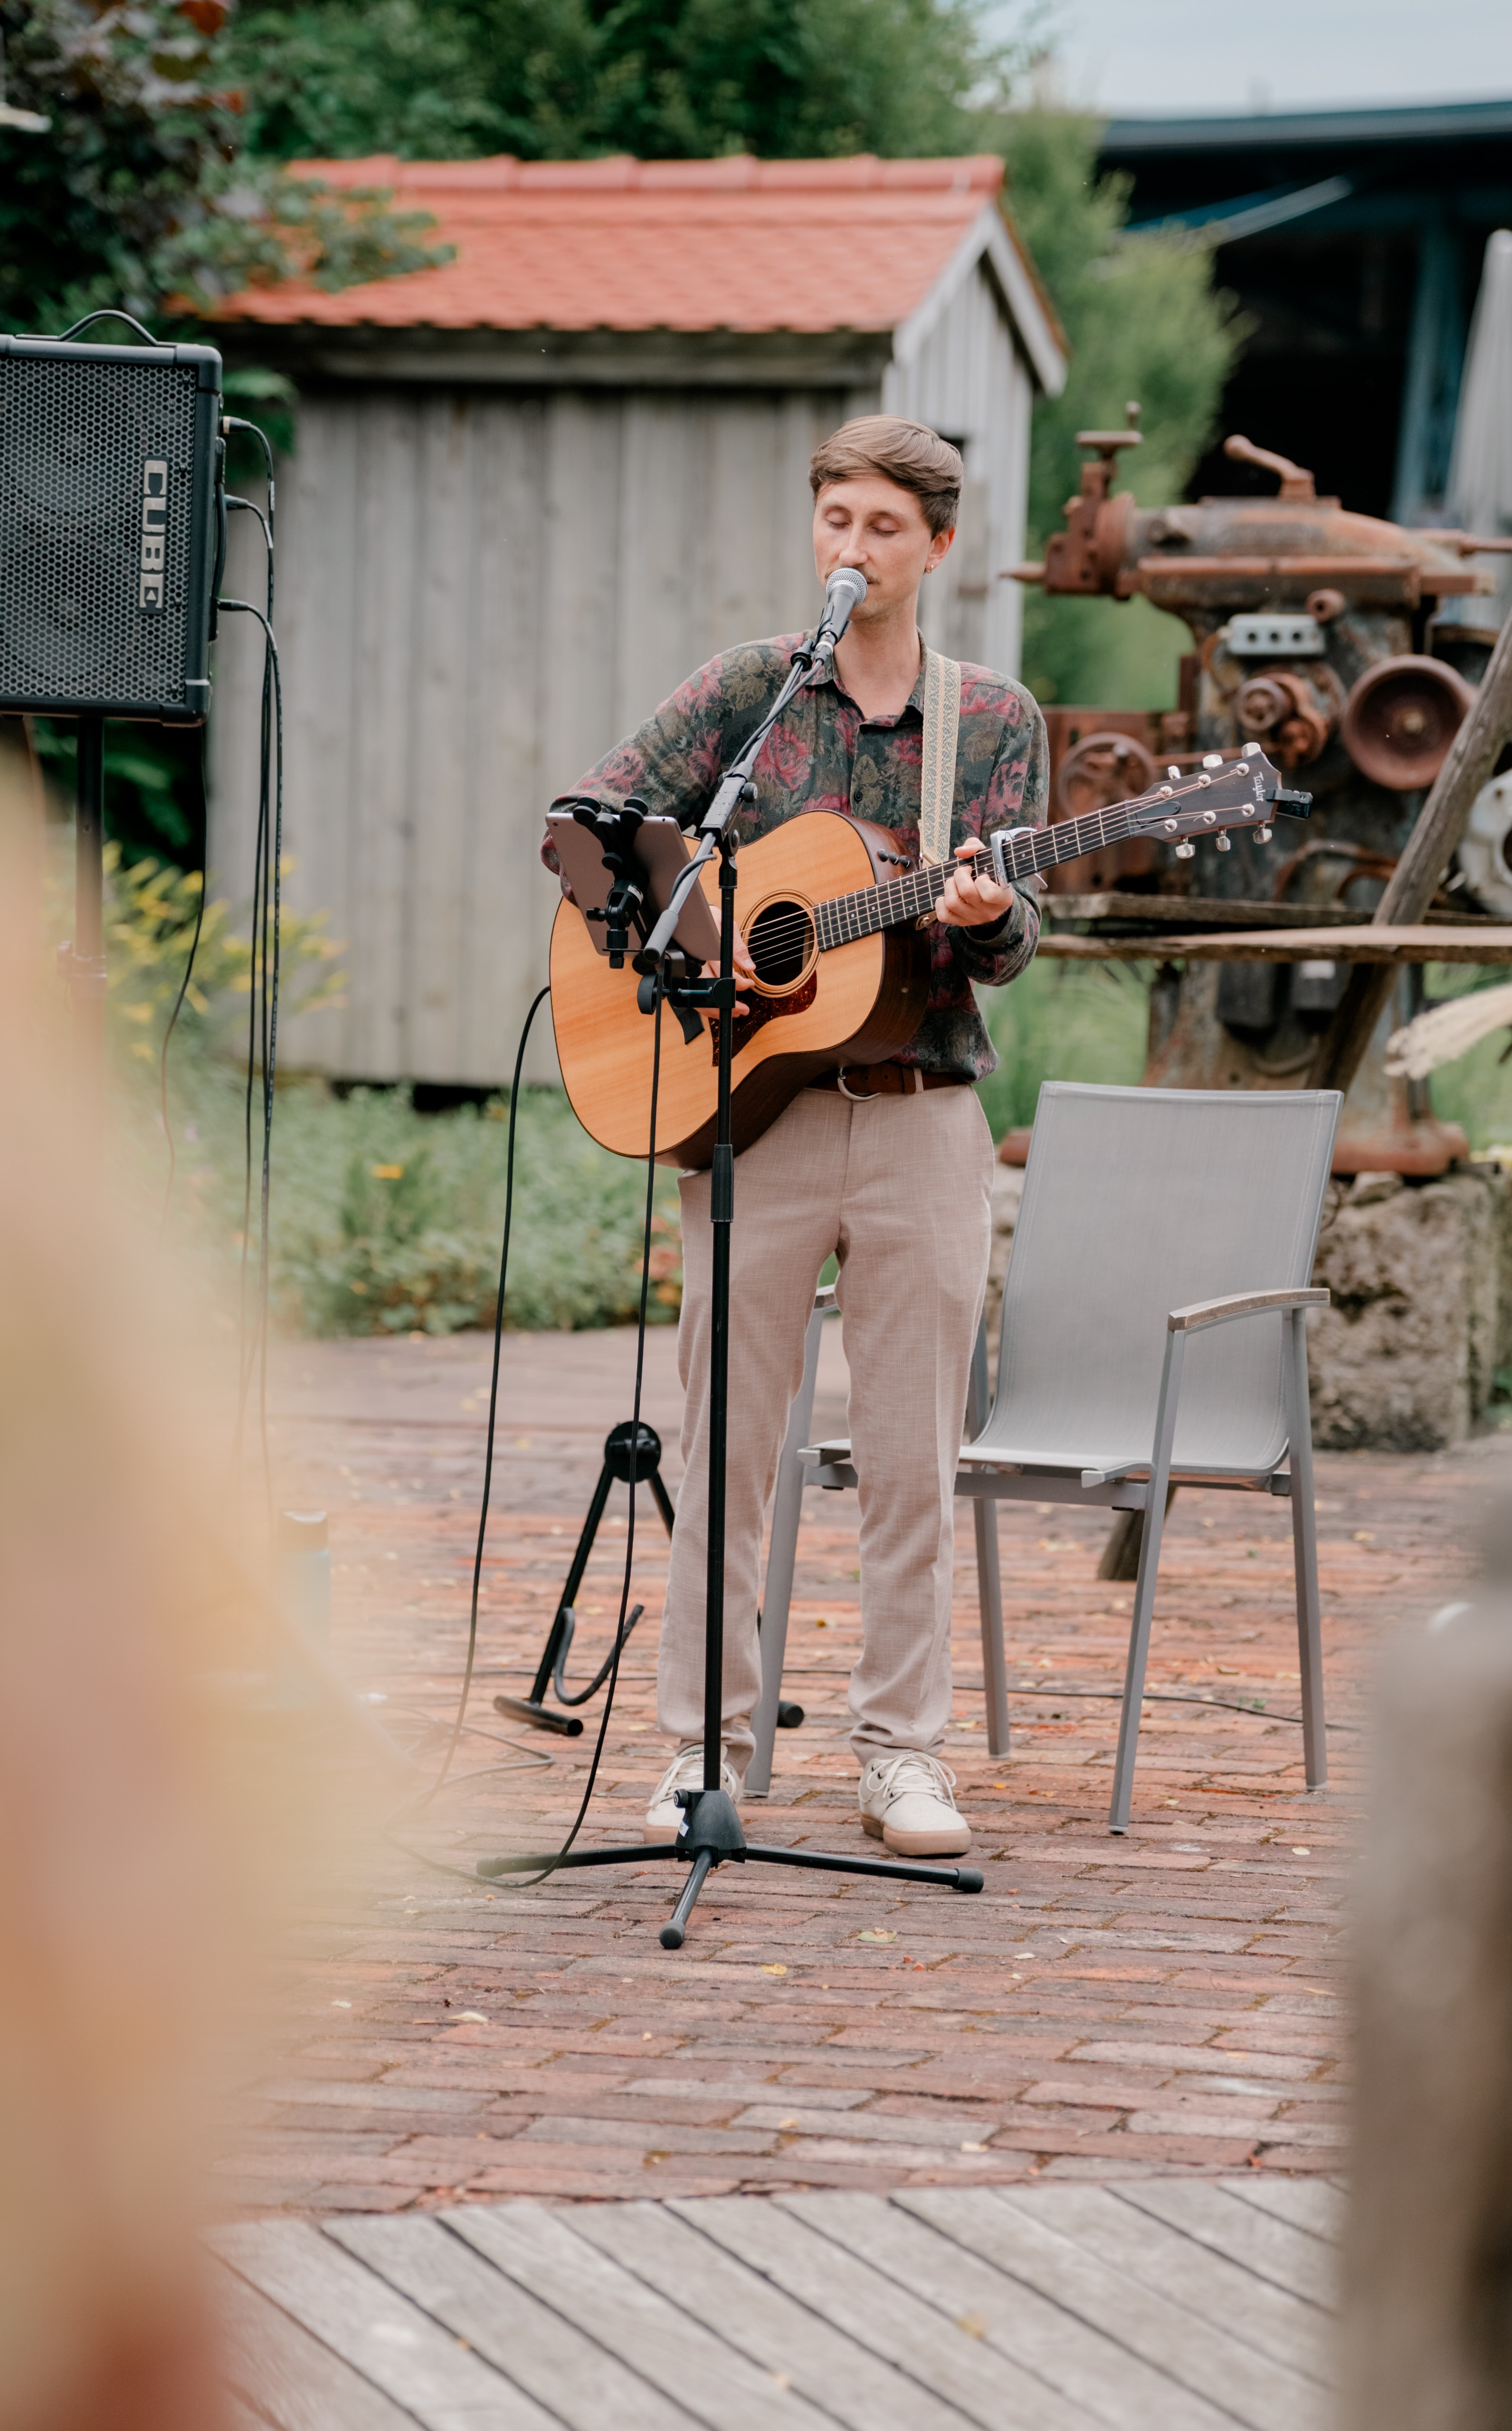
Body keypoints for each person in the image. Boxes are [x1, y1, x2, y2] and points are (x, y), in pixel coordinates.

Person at [546, 416, 1047, 1856]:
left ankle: (904, 1756)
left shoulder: (993, 721)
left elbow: (1018, 941)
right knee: (726, 1448)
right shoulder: (748, 692)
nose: (851, 548)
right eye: (834, 519)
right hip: (747, 1118)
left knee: (908, 1459)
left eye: (883, 527)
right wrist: (701, 945)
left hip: (921, 1120)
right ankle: (703, 1745)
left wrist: (985, 910)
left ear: (936, 546)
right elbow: (585, 833)